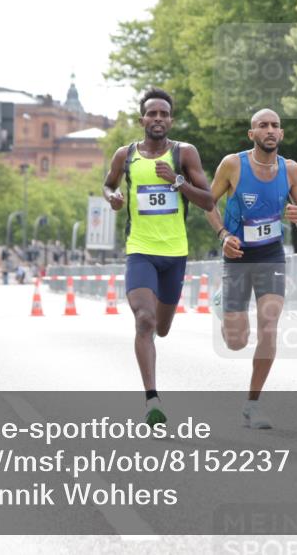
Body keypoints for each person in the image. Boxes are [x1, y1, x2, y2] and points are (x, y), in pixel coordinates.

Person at [103, 87, 213, 426]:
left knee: (162, 328)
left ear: (171, 120)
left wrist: (178, 181)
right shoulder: (125, 156)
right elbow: (107, 184)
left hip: (175, 254)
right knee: (144, 321)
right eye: (152, 114)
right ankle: (152, 399)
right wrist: (114, 197)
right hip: (140, 251)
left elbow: (208, 200)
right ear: (142, 120)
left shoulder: (185, 153)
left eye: (164, 114)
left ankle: (155, 338)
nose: (158, 119)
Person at [205, 108, 297, 429]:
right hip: (237, 256)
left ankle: (253, 404)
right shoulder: (233, 164)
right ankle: (223, 304)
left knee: (269, 324)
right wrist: (223, 235)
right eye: (262, 125)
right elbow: (208, 203)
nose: (269, 130)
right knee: (236, 341)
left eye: (275, 126)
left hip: (271, 255)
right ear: (252, 134)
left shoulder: (291, 170)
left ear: (281, 134)